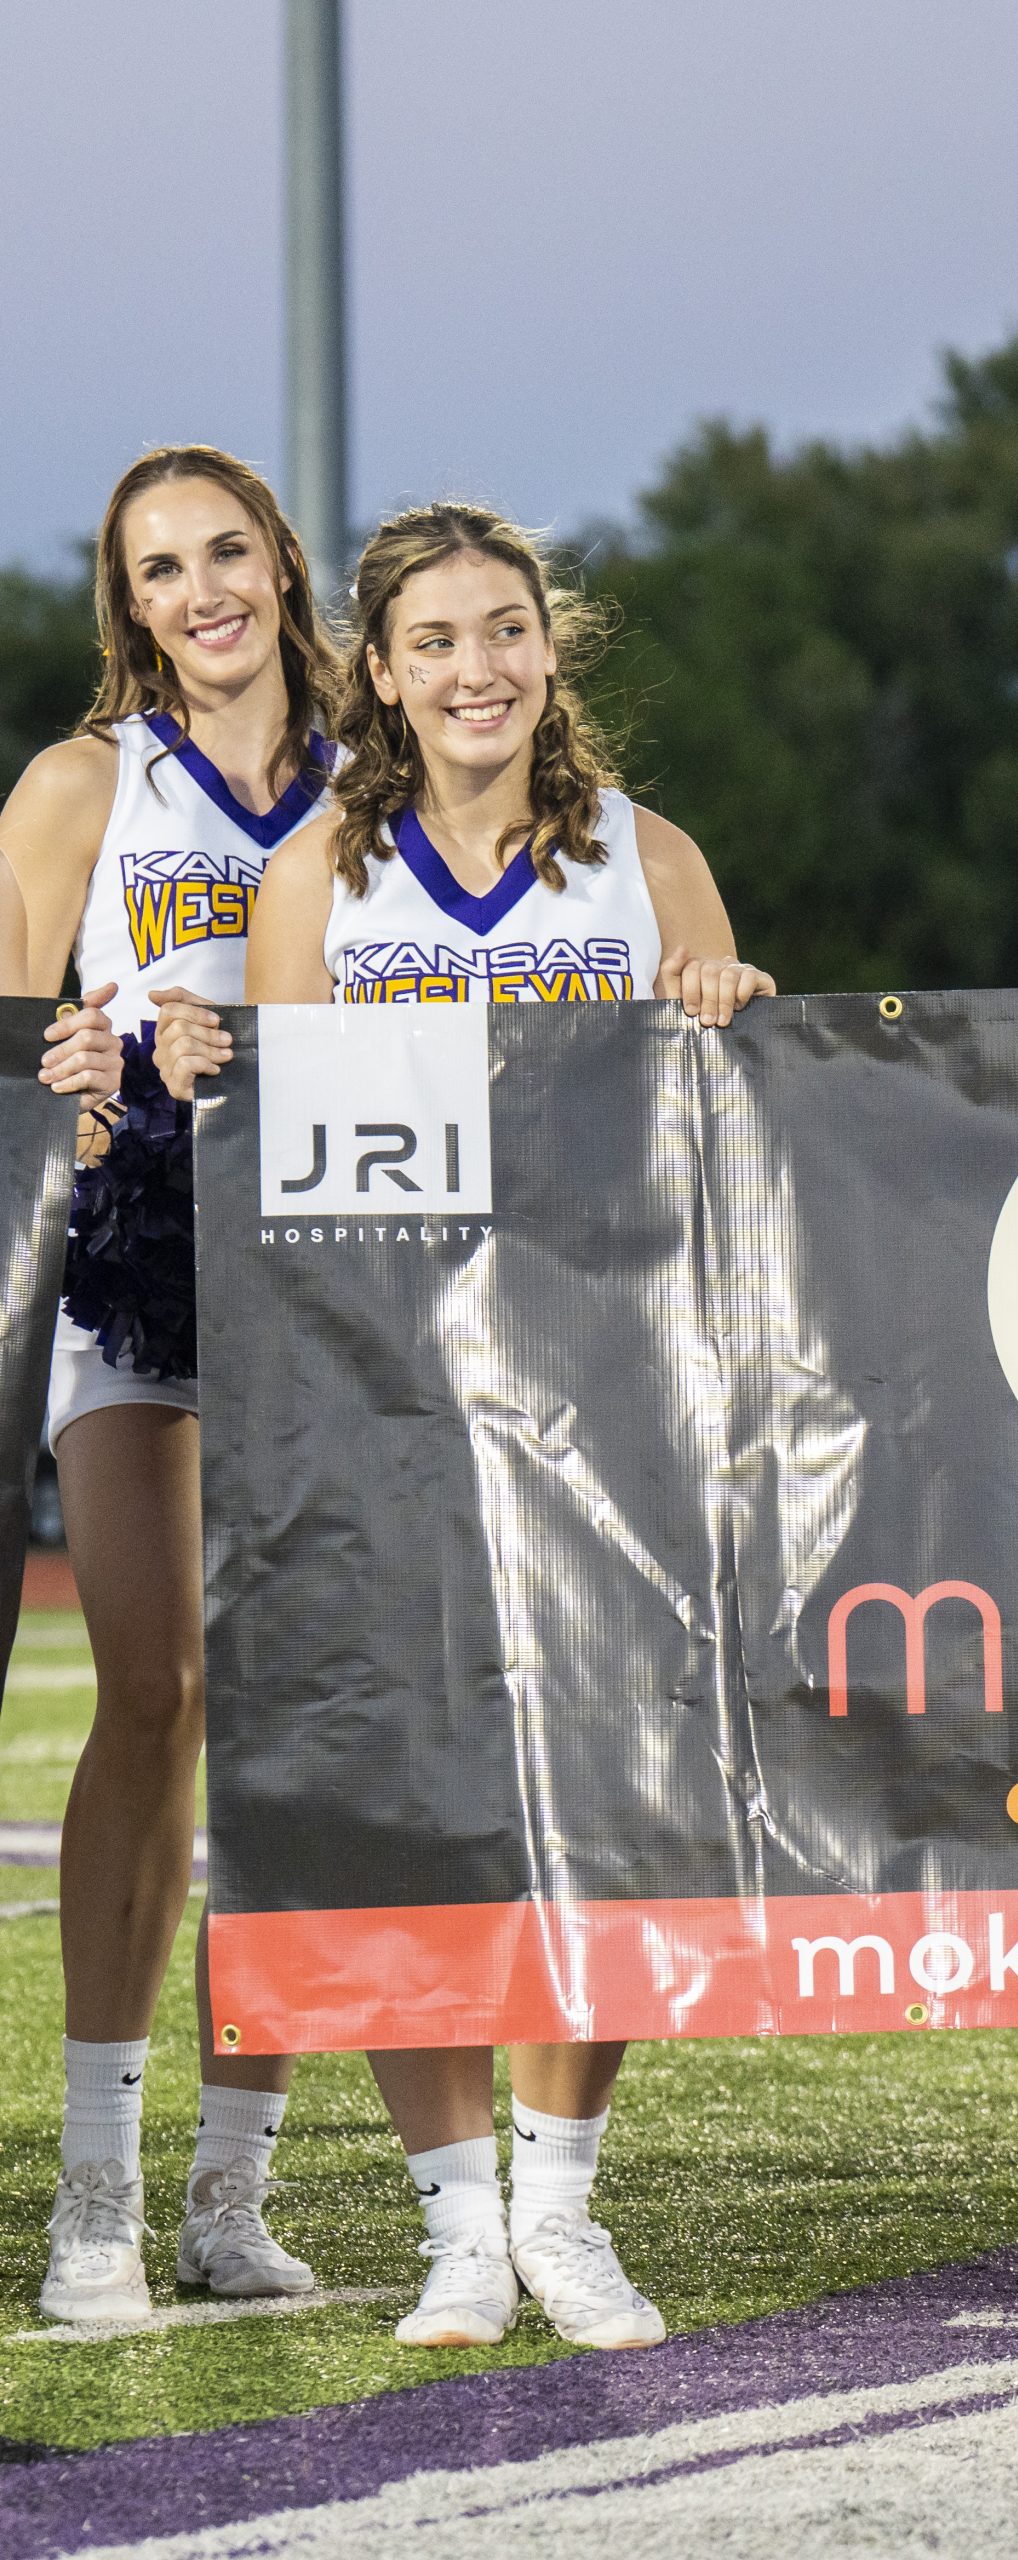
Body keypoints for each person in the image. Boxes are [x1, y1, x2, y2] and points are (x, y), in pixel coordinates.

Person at [161, 500, 773, 2353]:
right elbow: (263, 1173)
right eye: (434, 642)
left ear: (549, 652)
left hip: (613, 1410)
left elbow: (738, 1148)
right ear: (385, 671)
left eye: (504, 631)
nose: (476, 669)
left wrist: (732, 1012)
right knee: (400, 1810)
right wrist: (202, 1070)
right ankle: (455, 2227)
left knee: (601, 1804)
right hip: (378, 1411)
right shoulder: (310, 892)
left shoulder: (649, 863)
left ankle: (566, 2210)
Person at [0, 445, 341, 2322]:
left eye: (225, 551)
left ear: (280, 567)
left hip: (330, 1275)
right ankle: (96, 2203)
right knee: (163, 1686)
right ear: (129, 606)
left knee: (291, 1717)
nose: (200, 590)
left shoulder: (381, 793)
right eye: (158, 569)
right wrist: (85, 1047)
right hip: (128, 1264)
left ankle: (232, 2194)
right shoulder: (82, 785)